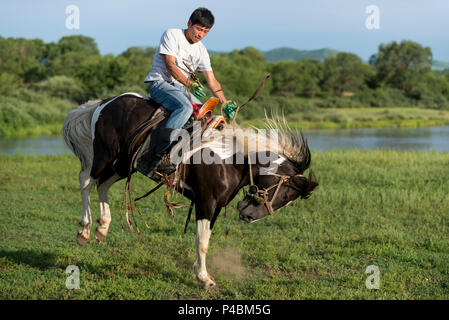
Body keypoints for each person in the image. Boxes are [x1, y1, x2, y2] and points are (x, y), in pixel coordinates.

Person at [144, 7, 235, 173]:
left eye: (206, 31)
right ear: (189, 23)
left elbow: (212, 81)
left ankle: (187, 155)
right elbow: (170, 65)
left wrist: (225, 102)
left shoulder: (201, 50)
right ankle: (159, 155)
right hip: (160, 83)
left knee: (206, 114)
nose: (200, 35)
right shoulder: (172, 34)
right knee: (184, 107)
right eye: (198, 29)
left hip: (180, 87)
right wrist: (190, 84)